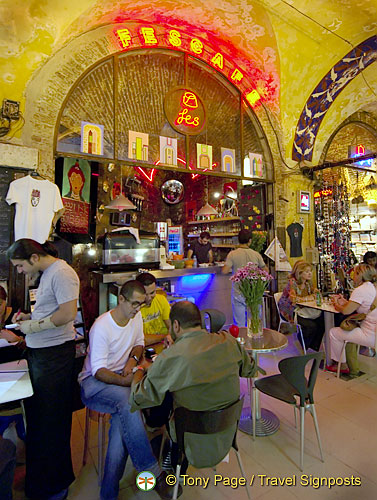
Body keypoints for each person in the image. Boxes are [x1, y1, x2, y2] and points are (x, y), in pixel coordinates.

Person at [78, 280, 177, 500]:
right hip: (93, 384)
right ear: (120, 299)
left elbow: (139, 343)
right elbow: (98, 371)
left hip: (120, 378)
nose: (137, 309)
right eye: (134, 303)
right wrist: (127, 382)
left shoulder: (136, 317)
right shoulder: (102, 326)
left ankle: (108, 492)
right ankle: (152, 471)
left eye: (141, 304)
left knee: (121, 427)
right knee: (127, 401)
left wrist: (132, 362)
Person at [130, 300, 256, 469]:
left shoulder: (171, 357)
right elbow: (250, 370)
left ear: (175, 325)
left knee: (163, 401)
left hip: (190, 439)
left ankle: (168, 457)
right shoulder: (228, 341)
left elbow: (138, 397)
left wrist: (139, 369)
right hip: (226, 435)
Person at [6, 238, 79, 500]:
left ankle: (54, 486)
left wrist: (34, 327)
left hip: (55, 356)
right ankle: (40, 481)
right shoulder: (48, 273)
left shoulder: (62, 272)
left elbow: (67, 314)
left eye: (19, 266)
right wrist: (30, 318)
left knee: (51, 423)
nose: (19, 271)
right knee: (39, 421)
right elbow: (51, 311)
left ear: (33, 258)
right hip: (42, 354)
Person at [327, 264, 377, 376]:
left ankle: (341, 364)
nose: (352, 276)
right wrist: (346, 303)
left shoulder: (360, 290)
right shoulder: (373, 287)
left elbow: (345, 311)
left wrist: (336, 304)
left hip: (370, 334)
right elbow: (361, 306)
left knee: (334, 333)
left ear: (360, 275)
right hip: (374, 330)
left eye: (354, 273)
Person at [222, 229, 268, 326]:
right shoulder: (256, 254)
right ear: (250, 240)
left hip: (238, 292)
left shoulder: (232, 254)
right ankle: (255, 339)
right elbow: (265, 270)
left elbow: (225, 270)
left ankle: (241, 340)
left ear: (238, 240)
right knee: (255, 322)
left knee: (240, 323)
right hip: (254, 292)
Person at [278, 261, 325, 351]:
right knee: (311, 326)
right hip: (290, 311)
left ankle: (313, 346)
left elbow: (317, 295)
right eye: (306, 271)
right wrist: (308, 298)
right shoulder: (292, 283)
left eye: (310, 271)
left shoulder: (308, 283)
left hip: (302, 310)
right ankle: (303, 345)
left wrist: (311, 296)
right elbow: (294, 300)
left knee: (322, 322)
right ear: (299, 273)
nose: (310, 273)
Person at [135, 272, 171, 346]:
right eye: (145, 294)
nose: (148, 298)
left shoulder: (161, 300)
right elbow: (140, 340)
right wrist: (164, 337)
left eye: (152, 293)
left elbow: (171, 327)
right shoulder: (134, 309)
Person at [0, 285, 25, 364]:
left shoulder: (18, 317)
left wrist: (17, 340)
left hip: (16, 365)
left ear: (5, 301)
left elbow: (35, 349)